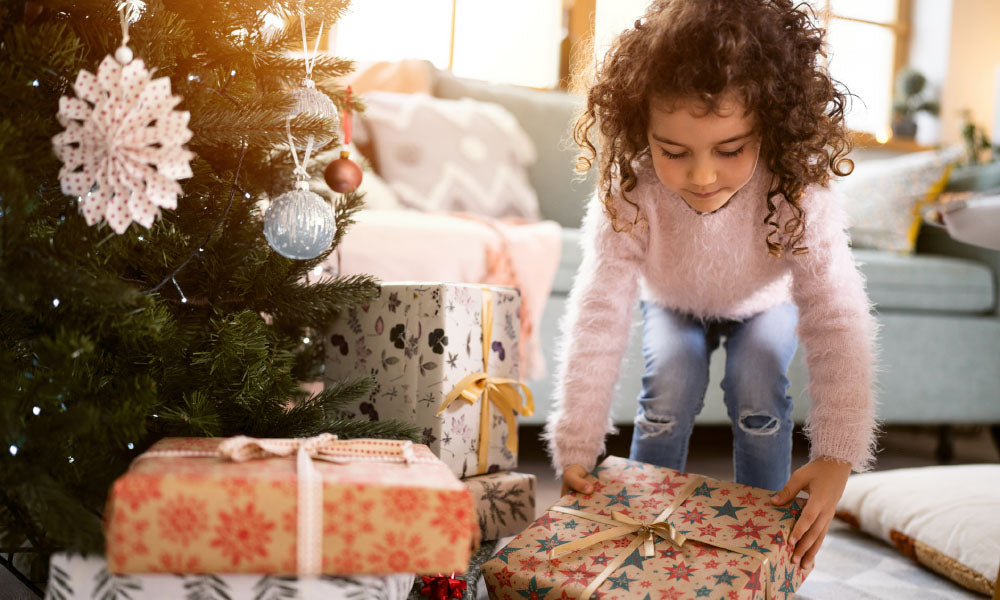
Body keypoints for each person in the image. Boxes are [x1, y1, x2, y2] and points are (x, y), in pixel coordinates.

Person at [542, 0, 880, 573]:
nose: (702, 177)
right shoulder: (630, 190)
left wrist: (838, 455)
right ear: (641, 130)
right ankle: (644, 531)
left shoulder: (798, 191)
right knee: (668, 392)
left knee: (759, 393)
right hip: (674, 304)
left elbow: (836, 314)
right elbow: (600, 311)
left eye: (730, 150)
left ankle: (768, 544)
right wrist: (577, 443)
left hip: (762, 305)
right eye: (674, 151)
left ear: (770, 128)